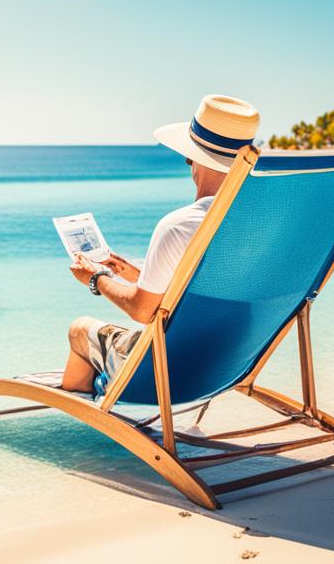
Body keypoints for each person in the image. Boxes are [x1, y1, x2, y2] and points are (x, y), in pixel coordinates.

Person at [61, 95, 260, 394]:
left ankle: (80, 423)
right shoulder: (257, 221)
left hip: (169, 371)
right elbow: (200, 290)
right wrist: (132, 272)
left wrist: (95, 279)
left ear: (193, 159)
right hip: (227, 364)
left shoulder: (179, 226)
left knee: (79, 329)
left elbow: (143, 311)